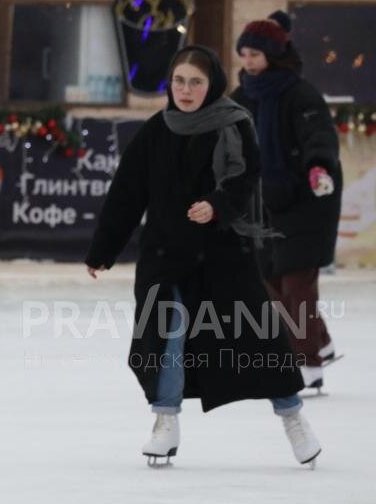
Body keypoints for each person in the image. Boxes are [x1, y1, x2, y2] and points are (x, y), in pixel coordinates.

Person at [85, 45, 321, 469]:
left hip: (223, 254)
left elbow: (247, 175)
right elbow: (126, 194)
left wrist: (218, 205)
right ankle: (165, 422)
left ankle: (293, 419)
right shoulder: (156, 130)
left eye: (196, 82)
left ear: (211, 84)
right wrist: (103, 251)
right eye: (179, 81)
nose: (187, 90)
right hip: (166, 254)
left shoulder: (234, 124)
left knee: (261, 341)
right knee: (166, 338)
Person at [230, 11, 343, 393]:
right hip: (262, 202)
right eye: (243, 54)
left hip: (308, 199)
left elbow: (319, 137)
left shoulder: (300, 93)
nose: (248, 61)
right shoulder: (242, 96)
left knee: (297, 286)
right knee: (269, 284)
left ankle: (306, 366)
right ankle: (321, 343)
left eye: (255, 54)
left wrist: (318, 168)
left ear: (273, 55)